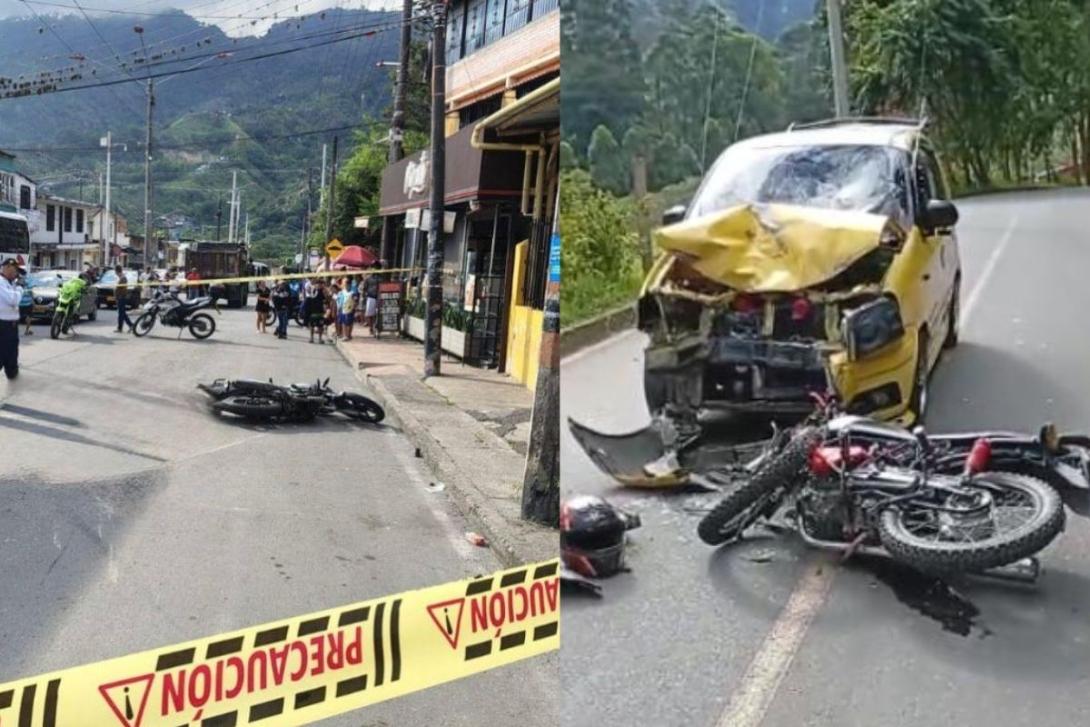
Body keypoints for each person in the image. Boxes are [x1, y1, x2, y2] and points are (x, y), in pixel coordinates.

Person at [0, 258, 26, 380]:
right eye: (15, 270)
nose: (17, 274)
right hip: (3, 325)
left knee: (12, 354)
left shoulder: (11, 283)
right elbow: (13, 300)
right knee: (3, 353)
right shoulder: (1, 282)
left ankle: (12, 371)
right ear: (7, 268)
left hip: (11, 326)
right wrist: (20, 288)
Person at [306, 279, 328, 344]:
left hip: (320, 311)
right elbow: (308, 292)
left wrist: (325, 291)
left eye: (320, 284)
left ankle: (320, 339)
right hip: (312, 310)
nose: (319, 285)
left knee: (320, 326)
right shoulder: (313, 290)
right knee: (312, 325)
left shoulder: (323, 291)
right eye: (318, 284)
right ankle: (311, 338)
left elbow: (326, 299)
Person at [114, 265, 135, 333]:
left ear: (117, 271)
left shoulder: (123, 278)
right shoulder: (121, 278)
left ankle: (120, 328)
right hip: (120, 297)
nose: (115, 273)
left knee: (121, 314)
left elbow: (123, 289)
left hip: (121, 298)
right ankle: (131, 325)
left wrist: (119, 296)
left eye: (115, 271)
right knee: (122, 313)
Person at [362, 268, 380, 336]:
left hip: (378, 297)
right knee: (370, 314)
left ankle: (375, 328)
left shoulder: (380, 278)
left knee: (376, 314)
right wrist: (364, 296)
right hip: (370, 297)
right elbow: (364, 288)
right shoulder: (368, 279)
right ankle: (371, 328)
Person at [18, 271, 33, 335]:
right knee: (29, 317)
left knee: (17, 317)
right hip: (28, 303)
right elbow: (31, 293)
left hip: (20, 303)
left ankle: (15, 330)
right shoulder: (29, 281)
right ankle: (27, 330)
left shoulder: (17, 282)